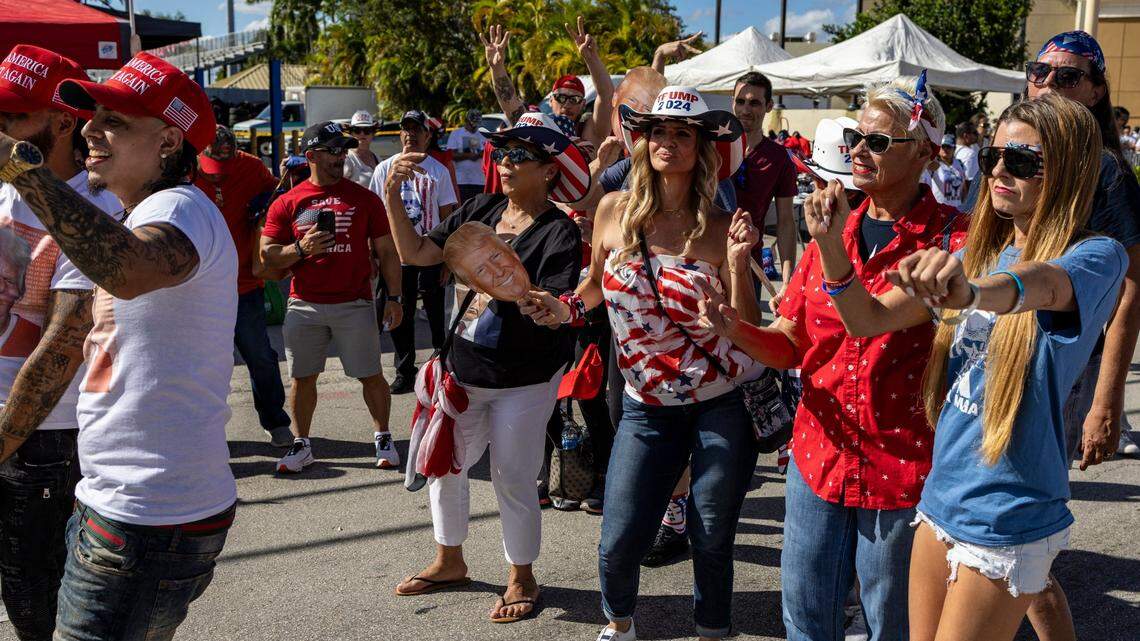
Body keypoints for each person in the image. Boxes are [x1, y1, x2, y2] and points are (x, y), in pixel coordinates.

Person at [759, 94, 1126, 641]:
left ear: (1067, 171)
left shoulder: (1097, 256)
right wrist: (831, 244)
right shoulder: (982, 251)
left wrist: (972, 291)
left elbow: (1043, 285)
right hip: (941, 499)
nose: (1000, 169)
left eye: (1022, 161)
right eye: (995, 156)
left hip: (1005, 511)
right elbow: (865, 317)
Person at [690, 73, 962, 641]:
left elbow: (871, 316)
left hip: (903, 463)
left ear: (927, 153)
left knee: (893, 621)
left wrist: (833, 242)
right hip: (820, 456)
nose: (859, 151)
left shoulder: (949, 243)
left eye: (880, 142)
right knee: (805, 613)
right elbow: (791, 344)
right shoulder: (829, 237)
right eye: (857, 137)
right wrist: (732, 327)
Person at [0, 51, 237, 640]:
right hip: (120, 503)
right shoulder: (139, 212)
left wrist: (24, 171)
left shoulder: (179, 207)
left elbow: (129, 271)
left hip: (148, 517)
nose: (89, 130)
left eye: (116, 121)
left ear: (168, 140)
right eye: (91, 115)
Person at [521, 86, 762, 641]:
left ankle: (712, 628)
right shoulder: (612, 210)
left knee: (710, 532)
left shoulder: (724, 225)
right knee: (620, 532)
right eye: (658, 131)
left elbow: (747, 326)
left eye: (682, 133)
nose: (668, 142)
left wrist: (739, 265)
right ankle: (621, 624)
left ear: (702, 148)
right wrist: (564, 308)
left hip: (718, 402)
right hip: (644, 406)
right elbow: (594, 285)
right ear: (642, 141)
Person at [385, 111, 584, 625]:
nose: (506, 162)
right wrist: (390, 195)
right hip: (463, 370)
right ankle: (449, 559)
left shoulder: (559, 231)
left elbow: (559, 302)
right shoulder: (481, 207)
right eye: (503, 153)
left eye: (521, 155)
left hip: (524, 377)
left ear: (549, 171)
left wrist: (539, 301)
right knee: (442, 462)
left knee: (512, 477)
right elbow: (415, 253)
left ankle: (522, 575)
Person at [1021, 29, 1140, 641]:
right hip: (999, 347)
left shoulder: (1107, 173)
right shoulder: (1016, 146)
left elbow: (1131, 289)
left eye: (1066, 76)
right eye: (1039, 71)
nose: (1047, 83)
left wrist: (1107, 399)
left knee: (1027, 506)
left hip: (1064, 363)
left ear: (1095, 90)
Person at [0, 44, 121, 640]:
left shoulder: (96, 213)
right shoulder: (1, 192)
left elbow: (60, 349)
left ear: (63, 121)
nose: (0, 127)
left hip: (45, 437)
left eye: (14, 115)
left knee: (35, 601)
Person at [262, 121, 404, 472]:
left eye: (343, 149)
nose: (341, 155)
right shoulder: (288, 203)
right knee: (302, 377)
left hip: (354, 303)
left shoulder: (364, 198)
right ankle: (302, 444)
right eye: (333, 150)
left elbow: (387, 253)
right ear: (311, 155)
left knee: (370, 374)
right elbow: (268, 255)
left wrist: (395, 298)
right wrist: (301, 247)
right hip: (304, 304)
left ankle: (383, 436)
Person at [195, 125, 293, 446]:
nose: (219, 175)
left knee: (261, 356)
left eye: (226, 162)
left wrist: (282, 185)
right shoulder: (191, 168)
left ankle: (275, 420)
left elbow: (279, 202)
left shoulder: (251, 166)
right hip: (201, 288)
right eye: (214, 168)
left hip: (243, 284)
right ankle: (204, 429)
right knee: (204, 363)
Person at [369, 110, 458, 394]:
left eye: (417, 130)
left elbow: (447, 217)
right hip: (394, 255)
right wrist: (373, 254)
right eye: (405, 129)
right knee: (398, 313)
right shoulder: (385, 169)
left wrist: (447, 261)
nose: (410, 135)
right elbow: (375, 213)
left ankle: (439, 365)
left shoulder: (438, 171)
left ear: (428, 135)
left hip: (430, 253)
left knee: (434, 313)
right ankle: (405, 370)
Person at [483, 17, 614, 149]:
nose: (567, 104)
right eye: (560, 98)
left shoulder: (590, 130)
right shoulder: (538, 126)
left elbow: (606, 95)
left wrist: (592, 58)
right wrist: (497, 68)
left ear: (583, 104)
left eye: (574, 99)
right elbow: (510, 105)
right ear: (550, 101)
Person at [731, 72, 798, 294]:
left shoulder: (780, 158)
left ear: (769, 106)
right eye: (740, 101)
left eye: (754, 103)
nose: (745, 110)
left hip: (751, 263)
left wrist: (788, 280)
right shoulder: (711, 148)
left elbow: (786, 221)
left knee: (747, 327)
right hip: (707, 260)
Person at [447, 109, 488, 203]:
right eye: (472, 123)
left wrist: (477, 154)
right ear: (466, 121)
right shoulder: (456, 134)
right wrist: (469, 155)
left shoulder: (483, 135)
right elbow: (451, 154)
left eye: (476, 123)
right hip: (461, 181)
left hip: (479, 181)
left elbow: (488, 152)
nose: (474, 126)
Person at [920, 133, 968, 210]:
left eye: (948, 147)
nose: (945, 149)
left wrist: (964, 204)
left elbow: (964, 188)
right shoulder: (934, 164)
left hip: (957, 209)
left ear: (954, 148)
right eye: (943, 146)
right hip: (939, 209)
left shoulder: (959, 163)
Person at [343, 110, 381, 188]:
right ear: (351, 133)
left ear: (373, 134)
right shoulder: (346, 159)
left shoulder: (378, 159)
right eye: (357, 130)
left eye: (367, 130)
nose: (362, 134)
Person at [954, 122, 981, 197]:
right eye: (974, 133)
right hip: (964, 199)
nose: (977, 135)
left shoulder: (950, 150)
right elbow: (971, 182)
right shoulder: (970, 154)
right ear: (966, 136)